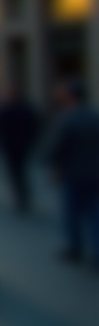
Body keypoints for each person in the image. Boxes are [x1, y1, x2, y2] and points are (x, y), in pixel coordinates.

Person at [44, 81, 99, 267]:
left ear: (70, 97)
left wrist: (54, 166)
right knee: (94, 214)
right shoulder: (94, 116)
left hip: (73, 173)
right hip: (94, 173)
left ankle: (75, 248)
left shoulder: (66, 119)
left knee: (72, 214)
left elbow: (55, 147)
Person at [0, 89, 43, 213]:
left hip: (11, 145)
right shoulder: (26, 109)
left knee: (15, 172)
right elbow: (35, 125)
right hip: (23, 144)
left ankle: (20, 196)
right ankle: (24, 195)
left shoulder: (5, 110)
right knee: (21, 171)